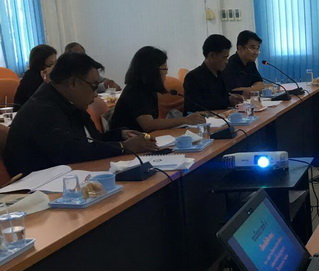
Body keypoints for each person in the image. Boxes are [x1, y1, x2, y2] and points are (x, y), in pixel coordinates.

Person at [5, 53, 158, 177]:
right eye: (93, 86)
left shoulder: (67, 102)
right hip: (38, 189)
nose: (95, 94)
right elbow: (73, 151)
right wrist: (122, 147)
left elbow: (93, 140)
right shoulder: (43, 109)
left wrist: (122, 135)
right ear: (72, 83)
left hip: (66, 175)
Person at [110, 46, 205, 132]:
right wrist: (185, 120)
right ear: (152, 70)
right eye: (164, 69)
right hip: (125, 142)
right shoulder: (135, 91)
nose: (166, 73)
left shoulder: (148, 89)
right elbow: (148, 125)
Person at [183, 34, 242, 113]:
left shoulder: (221, 75)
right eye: (224, 57)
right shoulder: (193, 77)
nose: (227, 61)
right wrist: (227, 101)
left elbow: (223, 96)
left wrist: (232, 98)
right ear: (211, 56)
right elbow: (194, 106)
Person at [14, 44, 57, 110]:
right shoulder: (31, 77)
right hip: (28, 112)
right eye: (50, 64)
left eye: (55, 64)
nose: (54, 68)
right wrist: (48, 83)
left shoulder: (52, 76)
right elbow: (42, 101)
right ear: (40, 64)